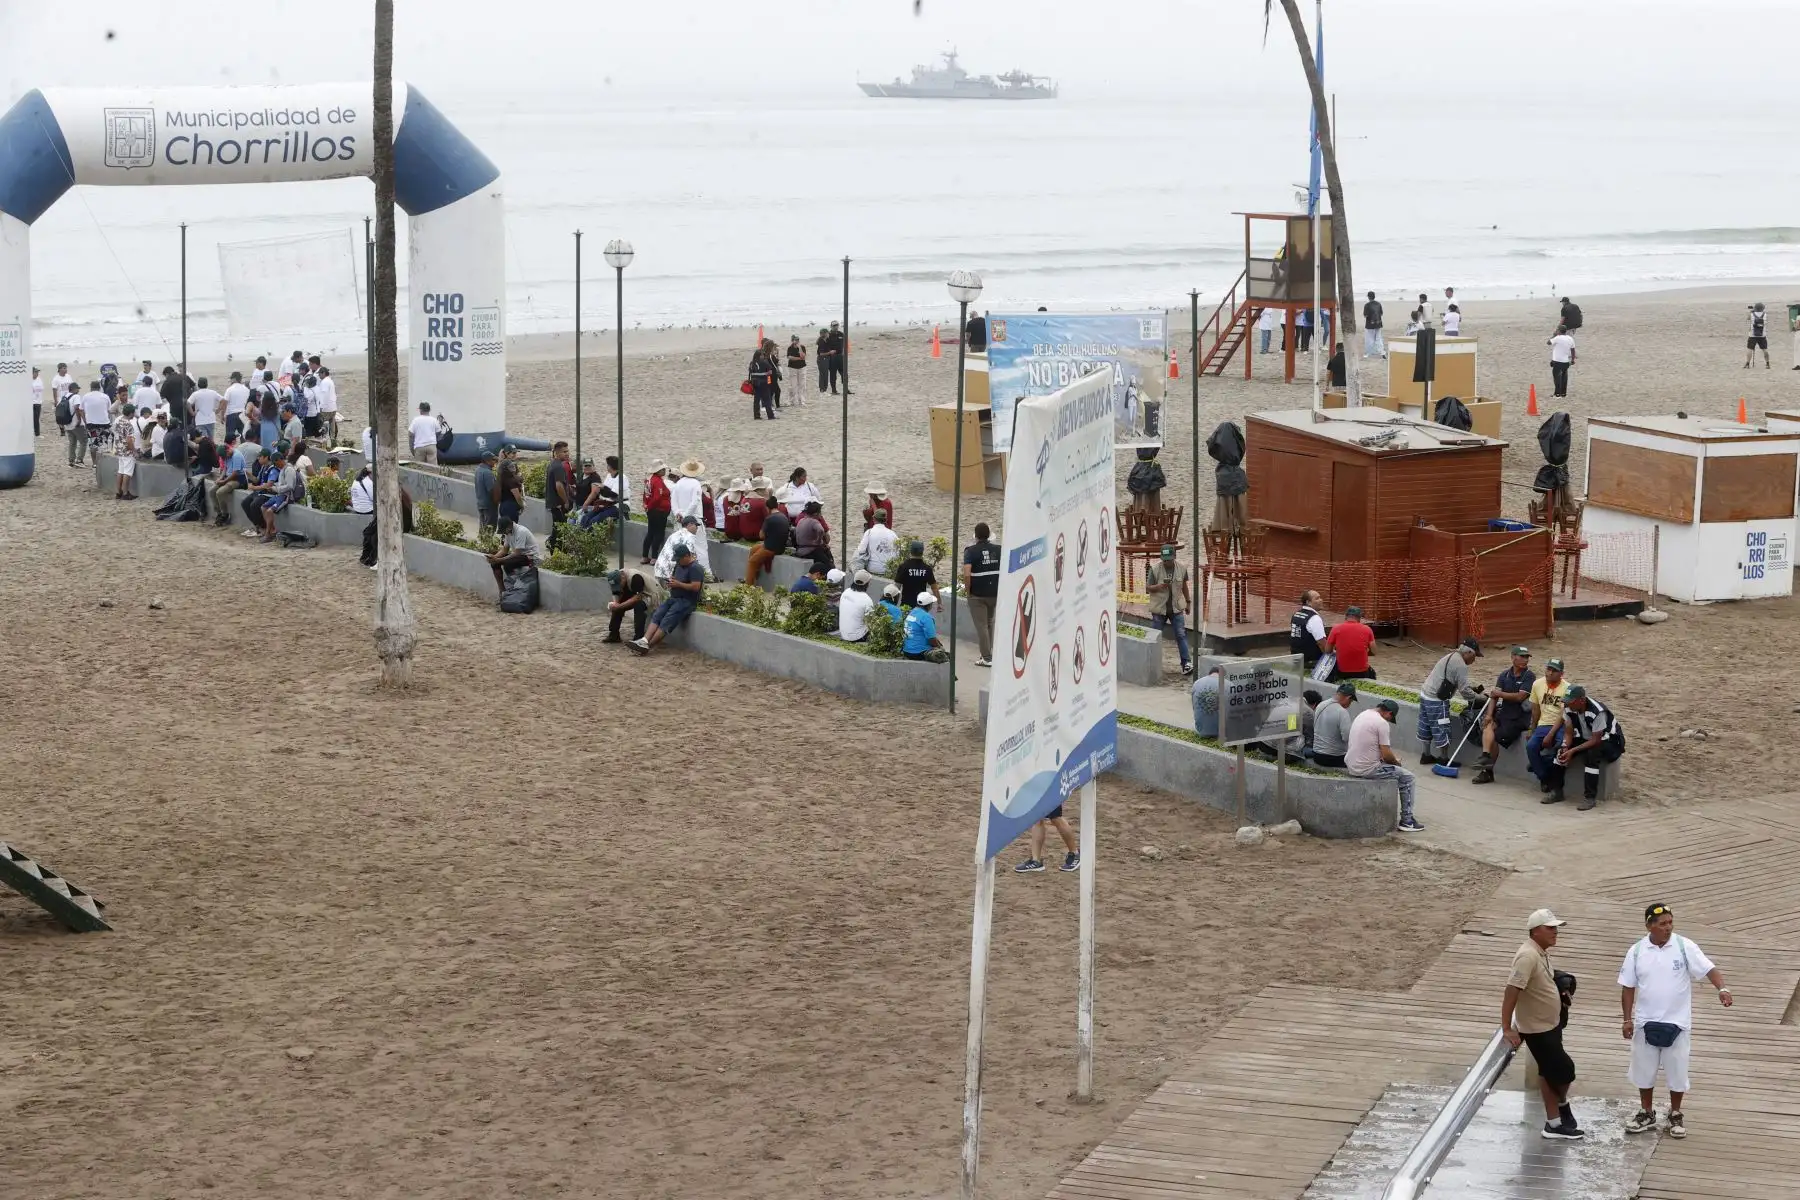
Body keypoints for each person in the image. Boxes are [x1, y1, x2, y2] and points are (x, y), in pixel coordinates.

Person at [1620, 902, 1731, 1140]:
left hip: (1678, 1023)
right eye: (1662, 924)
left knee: (1677, 1072)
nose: (1668, 928)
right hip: (1645, 1023)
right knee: (1644, 1071)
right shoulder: (1636, 951)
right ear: (1649, 925)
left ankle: (1676, 1113)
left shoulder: (1683, 946)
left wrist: (1722, 988)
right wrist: (1627, 1019)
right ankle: (1646, 1112)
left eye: (1670, 923)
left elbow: (1709, 968)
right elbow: (1628, 987)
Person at [1501, 908, 1584, 1140]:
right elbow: (1511, 990)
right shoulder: (1527, 955)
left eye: (1556, 928)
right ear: (1535, 931)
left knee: (1548, 1073)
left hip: (1550, 1024)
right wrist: (1507, 1027)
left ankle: (1554, 1123)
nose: (1555, 932)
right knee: (1565, 1071)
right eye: (1550, 928)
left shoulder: (1540, 951)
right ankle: (1562, 1106)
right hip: (1538, 1029)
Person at [1346, 698, 1423, 833]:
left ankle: (1407, 819)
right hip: (1367, 769)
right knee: (1408, 777)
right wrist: (1397, 762)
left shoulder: (1363, 714)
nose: (1388, 721)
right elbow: (1387, 755)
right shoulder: (1381, 723)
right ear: (1389, 713)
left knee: (1396, 770)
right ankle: (1407, 820)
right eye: (1390, 718)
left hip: (1351, 763)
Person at [1551, 685, 1624, 810]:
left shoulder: (1597, 711)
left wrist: (1573, 751)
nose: (1568, 705)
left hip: (1610, 741)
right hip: (1587, 737)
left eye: (1571, 702)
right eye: (1566, 701)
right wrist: (1565, 746)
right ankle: (1556, 792)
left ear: (1582, 700)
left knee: (1591, 754)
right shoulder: (1569, 708)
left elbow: (1596, 740)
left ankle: (1590, 798)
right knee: (1559, 751)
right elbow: (1568, 732)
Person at [1473, 646, 1536, 785]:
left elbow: (1520, 697)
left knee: (1494, 736)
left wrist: (1499, 694)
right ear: (1513, 657)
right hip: (1504, 714)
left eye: (1527, 657)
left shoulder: (1529, 676)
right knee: (1488, 724)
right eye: (1522, 656)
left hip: (1518, 718)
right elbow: (1493, 697)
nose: (1525, 660)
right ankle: (1485, 756)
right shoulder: (1504, 675)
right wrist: (1489, 714)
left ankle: (1487, 771)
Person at [1418, 639, 1484, 767]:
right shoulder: (1461, 665)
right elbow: (1465, 692)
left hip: (1425, 694)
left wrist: (1472, 689)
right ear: (1469, 652)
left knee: (1425, 725)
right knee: (1442, 728)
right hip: (1437, 700)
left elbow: (1454, 680)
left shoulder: (1450, 656)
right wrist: (1482, 698)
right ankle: (1444, 759)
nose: (1474, 660)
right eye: (1474, 656)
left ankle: (1425, 755)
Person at [631, 541, 704, 655]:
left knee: (667, 621)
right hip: (674, 597)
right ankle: (644, 640)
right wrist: (671, 582)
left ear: (687, 556)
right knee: (658, 614)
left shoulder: (695, 568)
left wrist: (678, 584)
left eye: (679, 559)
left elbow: (696, 587)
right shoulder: (679, 564)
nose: (678, 561)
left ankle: (648, 646)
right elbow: (676, 578)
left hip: (686, 601)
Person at [1144, 544, 1192, 676]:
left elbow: (1184, 586)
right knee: (1155, 637)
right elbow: (1148, 588)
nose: (1167, 562)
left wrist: (1188, 602)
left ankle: (1186, 663)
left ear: (1174, 557)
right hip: (1159, 609)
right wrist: (1159, 586)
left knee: (1181, 635)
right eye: (1164, 559)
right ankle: (1150, 663)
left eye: (1169, 559)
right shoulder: (1154, 569)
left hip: (1176, 609)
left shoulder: (1182, 568)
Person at [1527, 657, 1571, 794]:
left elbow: (1563, 715)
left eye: (1554, 671)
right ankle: (1544, 777)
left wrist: (1550, 734)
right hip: (1543, 724)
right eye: (1548, 669)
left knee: (1559, 748)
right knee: (1531, 746)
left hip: (1560, 725)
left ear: (1561, 674)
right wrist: (1532, 729)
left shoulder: (1567, 688)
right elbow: (1535, 710)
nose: (1550, 673)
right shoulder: (1537, 684)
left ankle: (1540, 766)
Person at [961, 522, 1002, 667]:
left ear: (976, 536)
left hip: (977, 595)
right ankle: (989, 653)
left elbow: (967, 574)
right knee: (990, 623)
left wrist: (968, 591)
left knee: (982, 626)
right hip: (995, 593)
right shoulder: (999, 549)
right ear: (989, 535)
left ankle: (986, 657)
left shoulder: (970, 551)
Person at [1012, 803, 1081, 874]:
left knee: (1055, 817)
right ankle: (1036, 861)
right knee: (1037, 819)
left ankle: (1075, 853)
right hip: (1037, 793)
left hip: (1050, 792)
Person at [486, 516, 543, 592]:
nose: (504, 533)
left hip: (530, 557)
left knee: (508, 564)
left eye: (504, 531)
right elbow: (504, 550)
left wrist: (499, 560)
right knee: (494, 564)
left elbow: (517, 553)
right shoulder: (508, 533)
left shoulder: (521, 531)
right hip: (519, 556)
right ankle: (502, 591)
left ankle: (513, 589)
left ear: (509, 526)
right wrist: (494, 557)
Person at [1321, 605, 1375, 681]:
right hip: (1362, 671)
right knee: (1373, 674)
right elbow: (1374, 651)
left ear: (1346, 616)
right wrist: (1363, 652)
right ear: (1359, 618)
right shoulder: (1367, 629)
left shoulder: (1336, 629)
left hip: (1342, 671)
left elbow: (1327, 650)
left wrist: (1339, 651)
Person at [1311, 682, 1357, 768]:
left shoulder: (1321, 705)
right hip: (1334, 758)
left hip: (1316, 755)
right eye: (1351, 701)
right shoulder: (1342, 712)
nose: (1350, 704)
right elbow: (1347, 738)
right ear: (1348, 698)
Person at [603, 569, 650, 644]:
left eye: (619, 584)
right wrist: (615, 604)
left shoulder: (635, 578)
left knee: (639, 606)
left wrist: (619, 606)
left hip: (649, 595)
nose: (619, 587)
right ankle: (614, 634)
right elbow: (616, 593)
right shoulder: (618, 578)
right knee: (617, 607)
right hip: (635, 594)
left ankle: (639, 638)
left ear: (623, 577)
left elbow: (637, 597)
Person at [902, 590, 948, 663]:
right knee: (945, 657)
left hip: (906, 650)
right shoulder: (926, 617)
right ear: (929, 605)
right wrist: (941, 648)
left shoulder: (912, 612)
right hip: (919, 652)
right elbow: (932, 640)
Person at [642, 459, 672, 564]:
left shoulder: (648, 479)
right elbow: (657, 497)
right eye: (663, 469)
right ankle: (654, 557)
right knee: (659, 533)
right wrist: (650, 506)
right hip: (659, 510)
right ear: (658, 470)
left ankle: (645, 555)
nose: (664, 471)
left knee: (650, 532)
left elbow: (645, 495)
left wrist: (646, 505)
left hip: (651, 511)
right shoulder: (658, 481)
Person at [544, 441, 574, 547]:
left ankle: (553, 546)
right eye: (564, 452)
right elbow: (559, 486)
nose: (567, 454)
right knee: (560, 528)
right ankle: (558, 550)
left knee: (556, 526)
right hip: (558, 503)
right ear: (557, 453)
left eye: (567, 451)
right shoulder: (558, 467)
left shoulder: (553, 464)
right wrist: (565, 501)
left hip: (553, 502)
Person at [1288, 590, 1327, 670]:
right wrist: (1330, 656)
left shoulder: (1296, 614)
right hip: (1311, 661)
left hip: (1296, 659)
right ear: (1308, 602)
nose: (1321, 600)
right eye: (1317, 598)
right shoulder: (1314, 618)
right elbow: (1321, 643)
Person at [854, 509, 901, 576]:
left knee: (857, 553)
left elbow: (861, 550)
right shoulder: (893, 534)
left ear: (874, 519)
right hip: (889, 571)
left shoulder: (869, 532)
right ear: (885, 520)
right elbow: (898, 551)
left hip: (873, 569)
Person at [893, 540, 936, 609]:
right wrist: (939, 603)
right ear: (922, 552)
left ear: (911, 551)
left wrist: (894, 602)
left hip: (905, 606)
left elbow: (897, 587)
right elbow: (934, 587)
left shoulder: (904, 566)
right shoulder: (927, 568)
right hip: (921, 606)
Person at [839, 570, 877, 643]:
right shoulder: (867, 600)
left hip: (843, 634)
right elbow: (870, 622)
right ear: (867, 583)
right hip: (857, 637)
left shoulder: (845, 592)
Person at [794, 500, 833, 569]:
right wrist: (818, 541)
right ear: (816, 514)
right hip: (810, 551)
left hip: (800, 550)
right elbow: (821, 530)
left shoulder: (801, 520)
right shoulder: (814, 521)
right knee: (829, 566)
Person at [111, 406, 138, 499]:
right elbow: (129, 440)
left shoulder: (118, 420)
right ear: (130, 413)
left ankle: (118, 491)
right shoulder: (128, 424)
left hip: (119, 449)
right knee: (127, 472)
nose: (134, 414)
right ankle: (126, 493)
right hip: (127, 451)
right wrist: (134, 451)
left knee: (120, 471)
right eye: (133, 412)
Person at [748, 340, 778, 420]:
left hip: (755, 383)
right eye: (762, 355)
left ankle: (756, 416)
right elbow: (770, 372)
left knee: (756, 400)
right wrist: (765, 374)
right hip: (764, 383)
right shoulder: (764, 362)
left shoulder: (752, 363)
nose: (763, 356)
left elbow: (750, 372)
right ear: (760, 355)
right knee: (767, 400)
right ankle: (770, 416)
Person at [496, 446, 526, 525]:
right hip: (510, 506)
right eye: (513, 453)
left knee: (506, 530)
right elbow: (517, 495)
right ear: (507, 454)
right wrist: (522, 505)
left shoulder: (502, 474)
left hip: (503, 505)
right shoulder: (511, 480)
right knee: (511, 530)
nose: (515, 455)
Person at [473, 449, 500, 532]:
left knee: (482, 526)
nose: (495, 462)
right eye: (493, 460)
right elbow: (491, 490)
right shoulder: (488, 473)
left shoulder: (478, 470)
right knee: (490, 527)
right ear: (487, 461)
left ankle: (482, 543)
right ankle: (487, 543)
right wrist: (498, 501)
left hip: (480, 503)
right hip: (489, 505)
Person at [1548, 326, 1576, 399]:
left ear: (1559, 331)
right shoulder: (1570, 338)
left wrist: (1554, 335)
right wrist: (1572, 359)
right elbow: (1573, 350)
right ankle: (1563, 393)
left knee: (1557, 377)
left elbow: (1548, 342)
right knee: (1564, 377)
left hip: (1557, 361)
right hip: (1565, 361)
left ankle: (1557, 394)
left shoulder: (1557, 338)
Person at [819, 320, 844, 394]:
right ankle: (834, 390)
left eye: (837, 325)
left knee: (844, 373)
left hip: (840, 356)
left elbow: (844, 344)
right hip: (832, 357)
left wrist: (844, 352)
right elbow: (821, 341)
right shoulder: (828, 335)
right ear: (831, 326)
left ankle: (846, 388)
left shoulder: (841, 334)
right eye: (834, 325)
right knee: (833, 374)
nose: (835, 327)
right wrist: (829, 352)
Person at [1745, 302, 1772, 369]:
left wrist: (1751, 311)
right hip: (1762, 335)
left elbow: (1747, 318)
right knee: (1765, 350)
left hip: (1752, 335)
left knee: (1749, 349)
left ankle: (1748, 363)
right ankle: (1767, 363)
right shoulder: (1765, 314)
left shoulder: (1752, 314)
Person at [786, 335, 808, 406]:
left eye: (797, 340)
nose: (796, 341)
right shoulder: (790, 348)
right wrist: (799, 359)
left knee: (802, 384)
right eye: (795, 340)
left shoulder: (802, 347)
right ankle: (791, 401)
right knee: (793, 385)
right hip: (792, 368)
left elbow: (803, 356)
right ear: (792, 340)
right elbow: (790, 357)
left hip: (802, 368)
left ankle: (802, 400)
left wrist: (800, 348)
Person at [1361, 291, 1385, 358]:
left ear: (1368, 297)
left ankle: (1368, 353)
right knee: (1379, 338)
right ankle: (1382, 352)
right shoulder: (1379, 304)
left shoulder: (1367, 305)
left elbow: (1365, 315)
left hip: (1370, 324)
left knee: (1369, 339)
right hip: (1378, 323)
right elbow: (1381, 314)